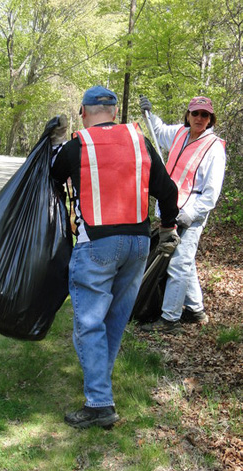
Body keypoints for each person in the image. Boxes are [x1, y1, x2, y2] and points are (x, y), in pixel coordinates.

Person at [49, 85, 179, 429]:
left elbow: (51, 176)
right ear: (115, 111)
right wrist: (168, 227)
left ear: (83, 112)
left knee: (90, 324)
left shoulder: (79, 145)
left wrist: (53, 143)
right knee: (114, 321)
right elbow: (167, 189)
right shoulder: (139, 142)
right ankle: (99, 388)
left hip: (97, 245)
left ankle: (99, 404)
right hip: (137, 245)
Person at [139, 95, 226, 334]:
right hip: (171, 210)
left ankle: (170, 320)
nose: (199, 118)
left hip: (192, 214)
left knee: (178, 263)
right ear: (188, 115)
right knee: (185, 262)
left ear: (210, 119)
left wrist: (191, 214)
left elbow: (211, 193)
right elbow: (158, 130)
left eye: (204, 115)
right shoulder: (179, 133)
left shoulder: (214, 148)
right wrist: (149, 112)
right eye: (195, 113)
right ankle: (196, 310)